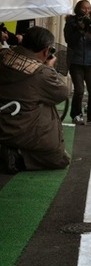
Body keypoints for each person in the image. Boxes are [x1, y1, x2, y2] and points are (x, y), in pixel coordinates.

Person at [0, 26, 71, 173]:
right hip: (19, 129)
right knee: (59, 157)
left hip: (3, 120)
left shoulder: (3, 55)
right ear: (46, 51)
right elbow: (62, 93)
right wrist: (50, 68)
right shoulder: (42, 73)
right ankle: (16, 157)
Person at [63, 0, 91, 125]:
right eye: (84, 8)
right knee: (79, 90)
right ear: (78, 9)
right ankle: (76, 115)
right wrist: (80, 31)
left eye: (89, 8)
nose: (87, 11)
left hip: (90, 62)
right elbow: (69, 40)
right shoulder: (71, 22)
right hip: (76, 62)